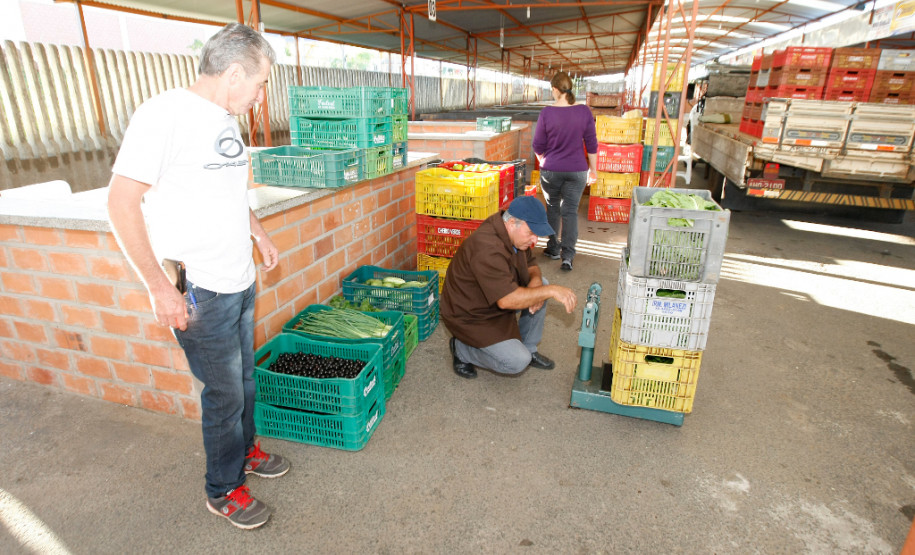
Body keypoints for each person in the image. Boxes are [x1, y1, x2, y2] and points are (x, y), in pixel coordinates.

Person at [107, 23, 288, 530]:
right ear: (233, 75)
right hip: (201, 290)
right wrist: (158, 287)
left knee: (245, 381)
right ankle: (223, 488)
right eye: (258, 85)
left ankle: (245, 451)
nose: (259, 96)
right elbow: (120, 204)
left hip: (240, 278)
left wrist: (259, 234)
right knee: (224, 395)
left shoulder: (226, 118)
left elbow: (230, 190)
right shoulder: (164, 115)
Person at [441, 196, 578, 379]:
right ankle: (462, 349)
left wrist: (537, 282)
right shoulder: (487, 246)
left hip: (493, 302)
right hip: (471, 316)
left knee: (541, 284)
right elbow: (507, 300)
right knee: (515, 362)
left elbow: (531, 264)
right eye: (531, 232)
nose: (534, 240)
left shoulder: (513, 233)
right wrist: (550, 291)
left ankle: (529, 349)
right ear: (513, 222)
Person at [532, 71, 598, 273]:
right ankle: (567, 256)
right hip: (577, 170)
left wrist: (543, 160)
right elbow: (592, 144)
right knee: (569, 212)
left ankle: (553, 248)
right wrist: (593, 170)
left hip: (551, 170)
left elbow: (537, 145)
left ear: (554, 90)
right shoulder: (584, 112)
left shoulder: (546, 113)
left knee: (553, 207)